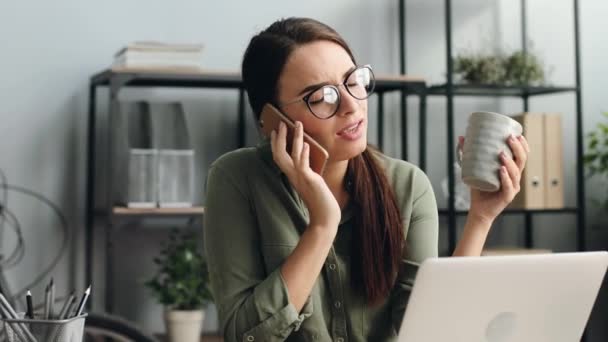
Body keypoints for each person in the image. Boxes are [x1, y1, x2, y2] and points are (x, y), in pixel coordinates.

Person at [203, 17, 529, 342]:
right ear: (272, 120)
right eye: (321, 97)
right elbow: (244, 335)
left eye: (353, 81)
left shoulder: (407, 186)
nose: (351, 105)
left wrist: (481, 218)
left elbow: (432, 332)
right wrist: (322, 225)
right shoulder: (236, 179)